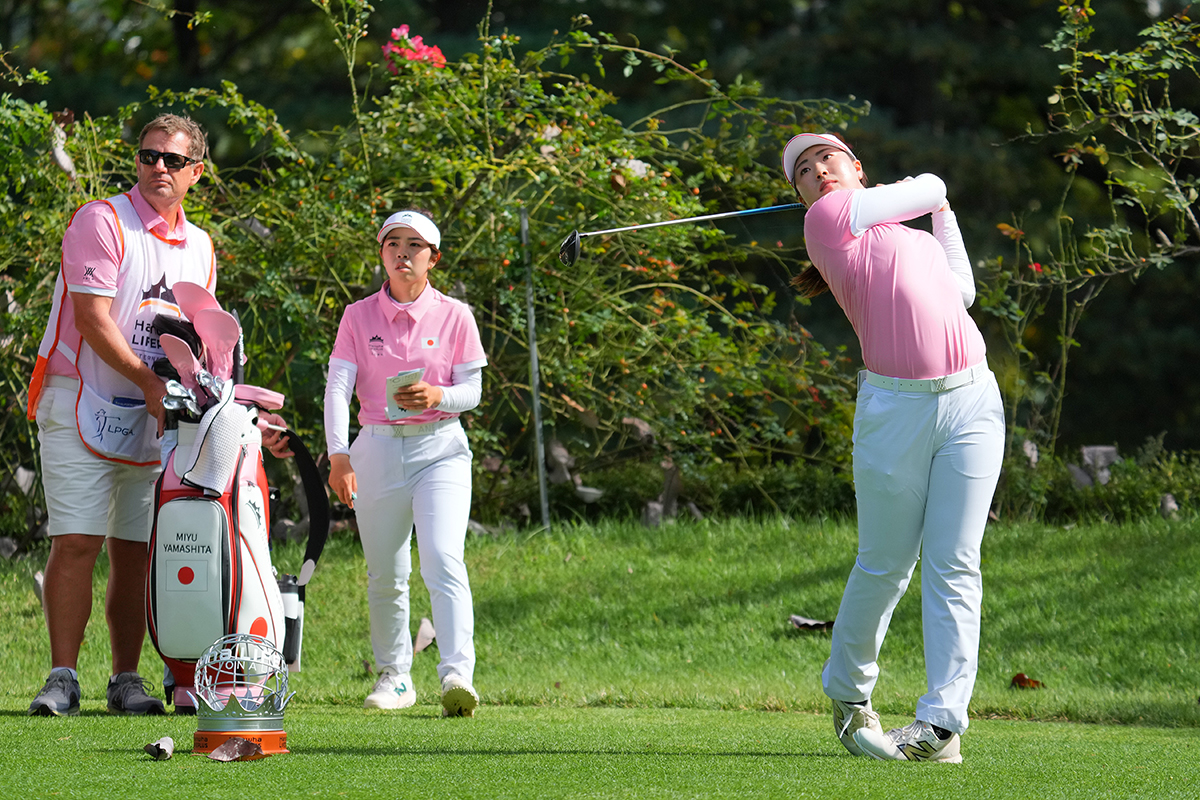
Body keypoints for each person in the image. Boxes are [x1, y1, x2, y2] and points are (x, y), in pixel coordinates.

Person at [25, 113, 291, 717]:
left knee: (138, 549)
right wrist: (149, 381)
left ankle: (126, 679)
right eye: (148, 157)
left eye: (173, 161)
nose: (158, 169)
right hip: (79, 399)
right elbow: (93, 321)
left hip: (156, 414)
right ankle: (62, 676)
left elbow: (204, 347)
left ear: (197, 171)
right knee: (77, 542)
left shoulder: (200, 246)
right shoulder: (102, 220)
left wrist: (243, 417)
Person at [781, 132, 1005, 763]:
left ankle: (941, 725)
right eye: (803, 170)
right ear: (799, 195)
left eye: (828, 158)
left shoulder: (912, 240)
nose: (818, 170)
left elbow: (962, 294)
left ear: (857, 167)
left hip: (972, 401)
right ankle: (850, 697)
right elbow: (932, 183)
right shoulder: (826, 224)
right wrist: (935, 199)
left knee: (956, 563)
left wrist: (942, 218)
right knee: (886, 565)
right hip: (894, 412)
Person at [325, 209, 488, 717]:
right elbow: (337, 387)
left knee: (443, 559)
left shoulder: (456, 314)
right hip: (374, 446)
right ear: (382, 254)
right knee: (386, 574)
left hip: (440, 448)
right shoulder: (357, 315)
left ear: (433, 258)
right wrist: (338, 454)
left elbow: (473, 391)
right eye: (392, 243)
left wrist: (438, 393)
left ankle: (456, 675)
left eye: (415, 245)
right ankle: (395, 676)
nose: (402, 252)